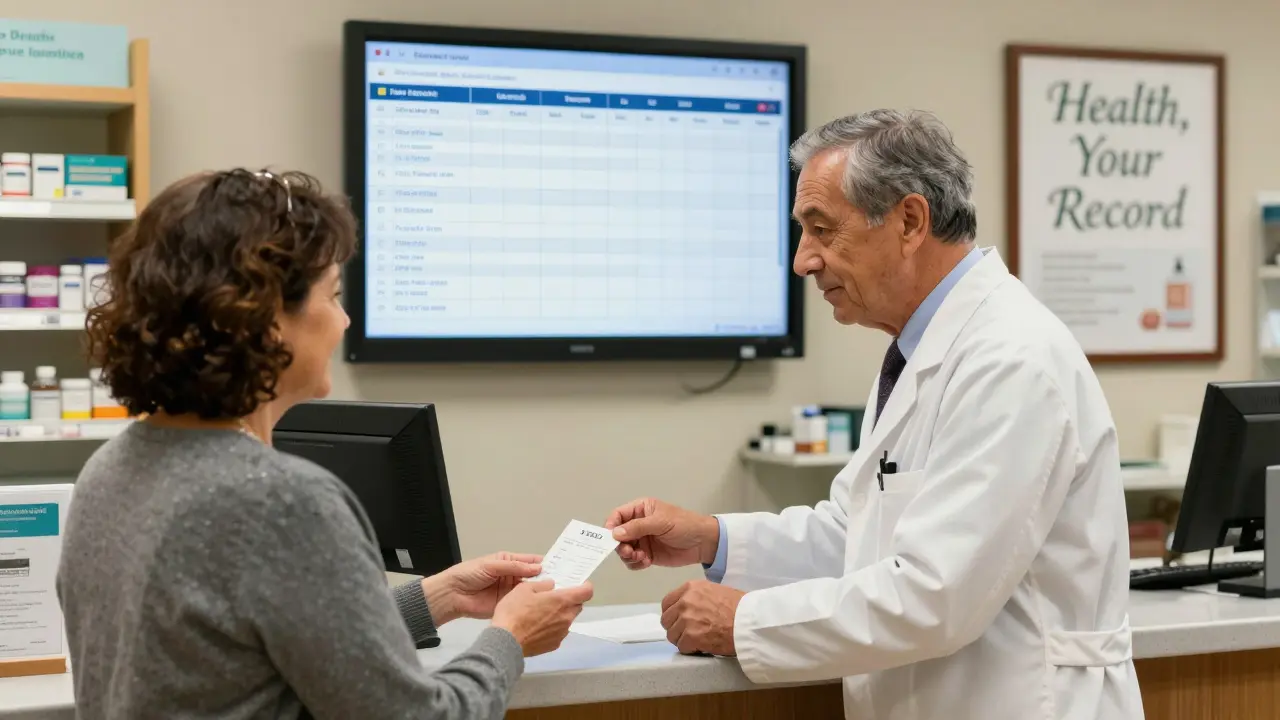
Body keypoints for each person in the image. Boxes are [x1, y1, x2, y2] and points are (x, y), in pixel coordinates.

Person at [605, 110, 1144, 719]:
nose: (803, 261)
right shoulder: (922, 350)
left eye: (821, 229)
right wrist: (715, 539)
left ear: (910, 221)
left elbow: (935, 595)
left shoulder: (1010, 357)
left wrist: (743, 620)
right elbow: (859, 533)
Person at [56, 169, 593, 720]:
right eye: (332, 296)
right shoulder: (281, 501)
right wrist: (511, 638)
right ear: (267, 321)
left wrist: (438, 599)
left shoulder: (108, 470)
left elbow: (237, 650)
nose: (344, 320)